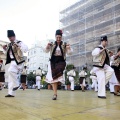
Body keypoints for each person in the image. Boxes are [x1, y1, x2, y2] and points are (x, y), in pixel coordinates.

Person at [45, 29, 73, 100]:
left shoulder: (64, 44)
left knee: (58, 71)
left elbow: (70, 53)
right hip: (52, 62)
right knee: (54, 79)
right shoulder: (52, 44)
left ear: (61, 37)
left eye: (59, 37)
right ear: (55, 37)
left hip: (61, 61)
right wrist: (47, 47)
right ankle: (55, 94)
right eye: (57, 37)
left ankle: (58, 83)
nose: (58, 39)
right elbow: (46, 51)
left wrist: (69, 48)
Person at [2, 30, 28, 97]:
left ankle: (17, 84)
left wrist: (19, 46)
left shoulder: (19, 42)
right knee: (11, 78)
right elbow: (7, 54)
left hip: (19, 61)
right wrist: (4, 49)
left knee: (10, 71)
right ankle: (11, 93)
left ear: (14, 36)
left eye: (11, 37)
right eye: (9, 37)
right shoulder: (9, 44)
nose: (10, 39)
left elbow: (26, 49)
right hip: (13, 62)